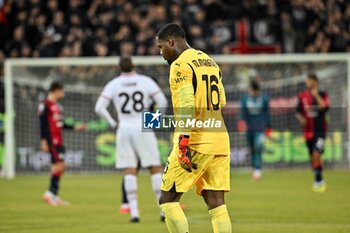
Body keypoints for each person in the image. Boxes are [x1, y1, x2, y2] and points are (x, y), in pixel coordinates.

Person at [156, 23, 232, 233]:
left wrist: (183, 142)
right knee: (217, 203)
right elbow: (222, 101)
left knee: (167, 200)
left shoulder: (180, 65)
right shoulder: (210, 61)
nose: (161, 53)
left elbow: (188, 103)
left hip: (196, 142)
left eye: (161, 47)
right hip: (220, 140)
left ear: (171, 41)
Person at [95, 57, 168, 222]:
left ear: (119, 67)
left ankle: (134, 213)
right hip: (143, 125)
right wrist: (154, 120)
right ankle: (163, 210)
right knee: (155, 168)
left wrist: (114, 122)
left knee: (129, 170)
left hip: (124, 128)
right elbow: (162, 101)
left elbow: (99, 107)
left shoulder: (114, 84)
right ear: (134, 65)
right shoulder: (145, 81)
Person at [39, 82, 86, 206]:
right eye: (61, 91)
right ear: (55, 91)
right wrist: (43, 140)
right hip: (52, 141)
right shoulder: (45, 105)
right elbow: (42, 123)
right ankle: (50, 194)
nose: (62, 94)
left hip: (59, 140)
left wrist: (75, 127)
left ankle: (53, 194)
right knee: (59, 166)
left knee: (60, 166)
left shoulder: (57, 106)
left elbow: (61, 124)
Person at [295, 74, 329, 193]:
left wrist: (316, 95)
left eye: (309, 81)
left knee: (316, 154)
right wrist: (301, 119)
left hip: (320, 131)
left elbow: (325, 107)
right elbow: (298, 112)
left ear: (315, 81)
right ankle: (318, 179)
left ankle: (319, 180)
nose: (307, 83)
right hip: (308, 132)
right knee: (312, 157)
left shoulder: (323, 93)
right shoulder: (302, 96)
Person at [237, 80, 271, 181]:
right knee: (252, 149)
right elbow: (242, 112)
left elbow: (267, 113)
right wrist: (241, 123)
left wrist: (268, 127)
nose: (253, 92)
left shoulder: (264, 99)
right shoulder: (245, 99)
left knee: (258, 147)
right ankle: (254, 168)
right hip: (249, 129)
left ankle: (257, 170)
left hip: (260, 128)